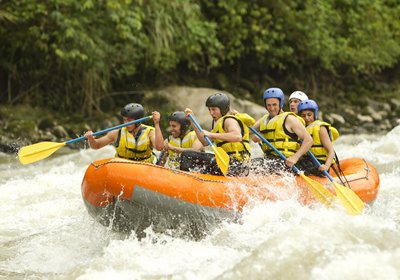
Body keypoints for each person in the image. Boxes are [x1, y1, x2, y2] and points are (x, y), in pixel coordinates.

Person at [183, 92, 255, 176]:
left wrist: (211, 134)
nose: (211, 113)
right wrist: (192, 121)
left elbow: (237, 136)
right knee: (202, 163)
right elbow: (205, 142)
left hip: (236, 165)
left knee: (187, 155)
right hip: (228, 163)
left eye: (214, 109)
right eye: (209, 110)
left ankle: (185, 179)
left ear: (223, 109)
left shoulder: (229, 120)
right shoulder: (218, 125)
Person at [252, 87, 313, 174]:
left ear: (280, 104)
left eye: (274, 105)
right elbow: (247, 131)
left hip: (285, 162)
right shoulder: (264, 119)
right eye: (268, 105)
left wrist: (295, 157)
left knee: (255, 167)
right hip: (269, 159)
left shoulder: (289, 119)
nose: (271, 108)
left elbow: (309, 140)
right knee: (249, 164)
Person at [85, 103, 164, 163]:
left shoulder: (150, 132)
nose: (126, 123)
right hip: (122, 169)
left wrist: (156, 124)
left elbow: (160, 147)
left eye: (129, 120)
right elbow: (96, 145)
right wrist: (91, 139)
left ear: (138, 121)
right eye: (124, 120)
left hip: (144, 169)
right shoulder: (116, 133)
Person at [297, 99, 339, 176]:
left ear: (314, 114)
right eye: (303, 115)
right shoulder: (301, 129)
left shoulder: (320, 128)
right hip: (306, 162)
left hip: (319, 163)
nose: (306, 118)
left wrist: (326, 166)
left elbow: (331, 151)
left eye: (309, 115)